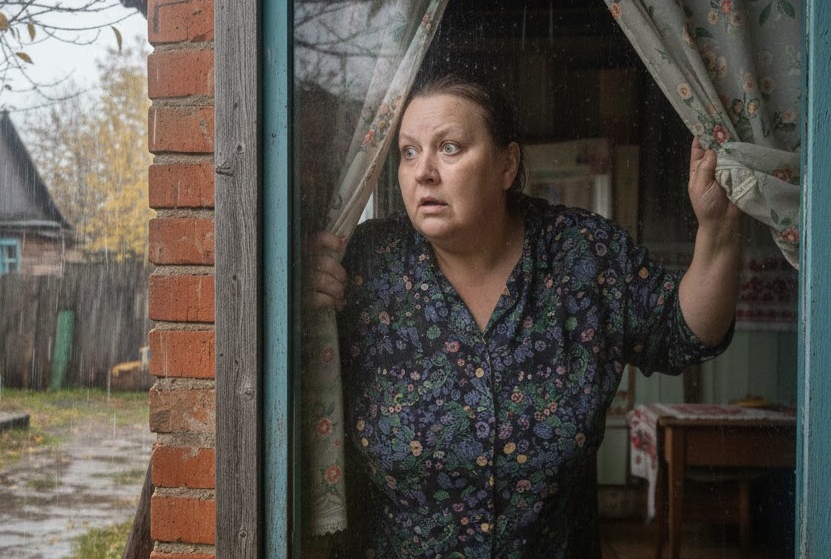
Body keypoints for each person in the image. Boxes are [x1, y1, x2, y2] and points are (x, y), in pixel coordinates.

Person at [308, 73, 743, 558]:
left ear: (507, 164)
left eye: (449, 148)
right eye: (409, 152)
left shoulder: (583, 255)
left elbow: (683, 332)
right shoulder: (365, 264)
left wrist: (718, 232)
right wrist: (296, 291)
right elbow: (298, 378)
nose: (423, 172)